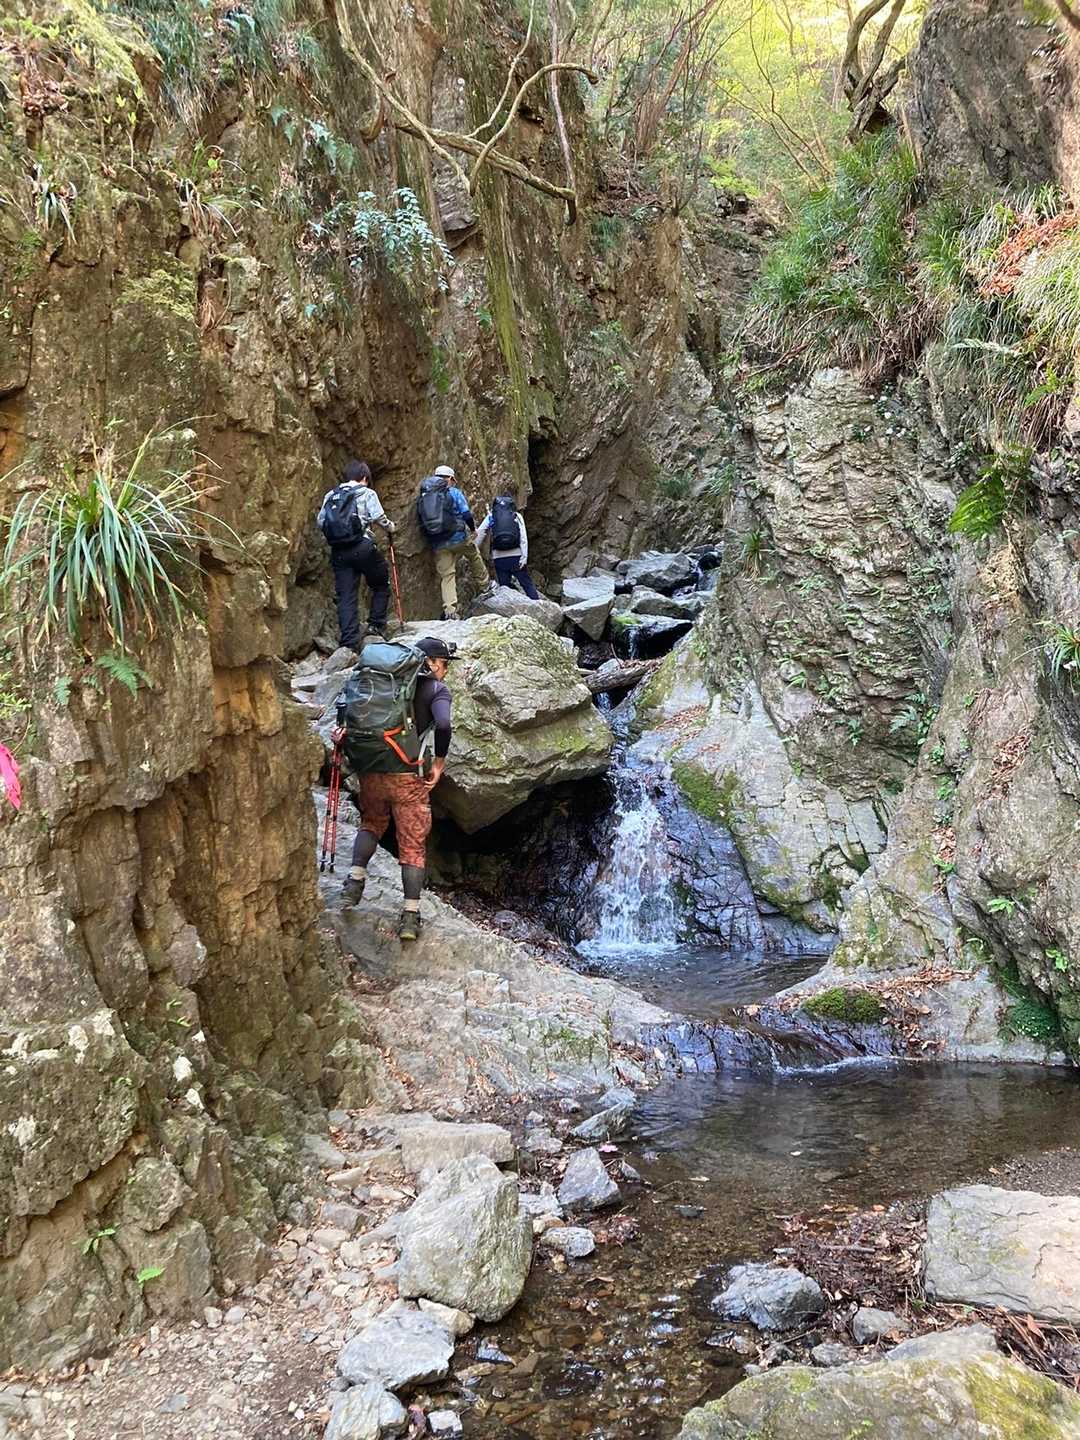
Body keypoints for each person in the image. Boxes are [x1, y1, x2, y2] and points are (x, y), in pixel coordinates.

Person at [336, 636, 455, 941]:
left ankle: (353, 884)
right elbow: (443, 725)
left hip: (371, 768)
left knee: (371, 823)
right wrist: (439, 763)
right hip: (407, 777)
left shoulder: (380, 684)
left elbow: (346, 709)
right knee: (412, 845)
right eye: (444, 664)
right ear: (431, 662)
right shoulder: (436, 690)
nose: (445, 671)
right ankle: (410, 917)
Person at [318, 460, 396, 650]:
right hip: (363, 546)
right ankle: (375, 626)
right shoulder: (367, 493)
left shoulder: (331, 495)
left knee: (346, 596)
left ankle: (349, 643)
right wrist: (391, 527)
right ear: (364, 477)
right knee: (380, 583)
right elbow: (379, 517)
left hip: (339, 551)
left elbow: (321, 521)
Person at [415, 463, 489, 620]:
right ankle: (485, 586)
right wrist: (473, 530)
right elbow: (466, 514)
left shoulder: (425, 496)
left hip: (438, 543)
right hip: (458, 538)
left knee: (447, 576)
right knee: (474, 555)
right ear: (449, 479)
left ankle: (450, 611)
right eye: (453, 480)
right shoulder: (454, 493)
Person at [475, 493, 540, 599]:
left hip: (499, 558)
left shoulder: (492, 516)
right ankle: (537, 604)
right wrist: (524, 557)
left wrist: (475, 549)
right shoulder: (516, 516)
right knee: (527, 584)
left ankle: (507, 607)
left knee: (505, 588)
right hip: (516, 557)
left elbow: (481, 531)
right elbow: (523, 538)